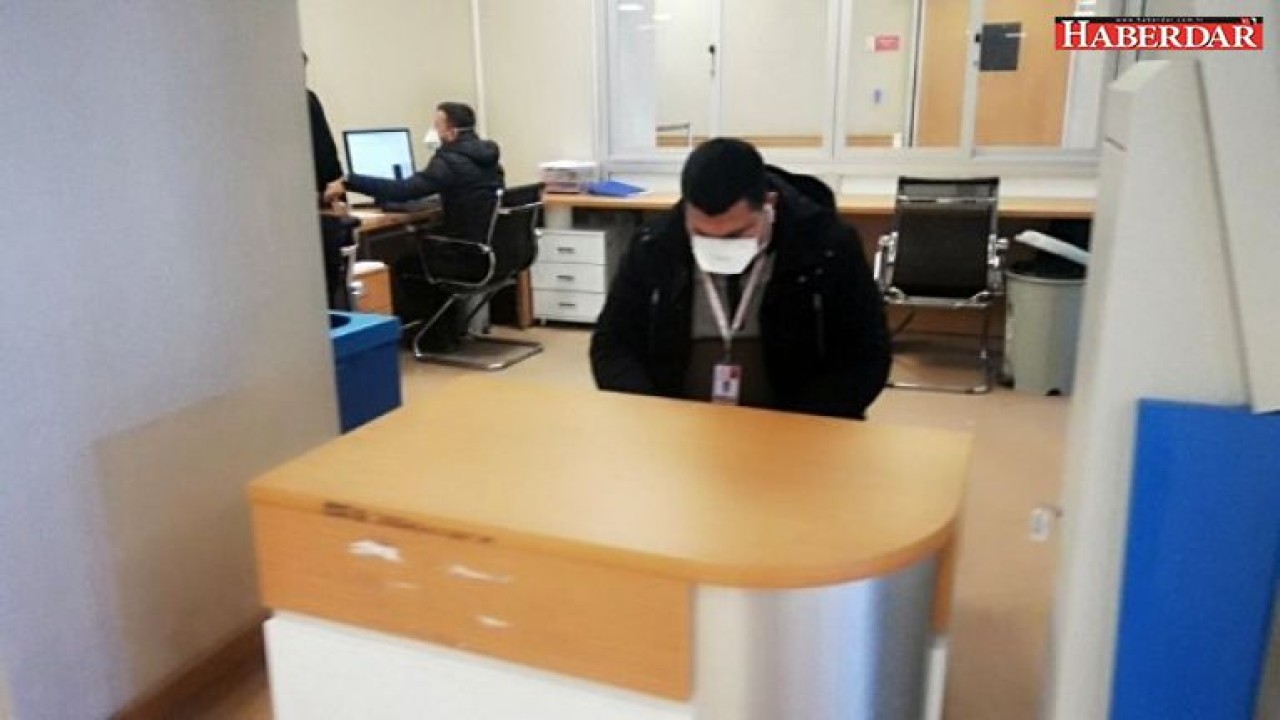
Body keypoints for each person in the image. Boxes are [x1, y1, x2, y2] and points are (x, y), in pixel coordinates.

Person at [590, 138, 890, 420]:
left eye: (736, 234)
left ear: (769, 204)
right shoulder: (654, 245)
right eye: (701, 234)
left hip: (796, 426)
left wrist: (805, 424)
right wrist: (650, 414)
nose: (719, 245)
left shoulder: (827, 246)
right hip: (677, 426)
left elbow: (866, 355)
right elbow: (612, 344)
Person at [325, 102, 504, 350]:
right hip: (489, 254)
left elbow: (404, 191)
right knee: (421, 254)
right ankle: (447, 332)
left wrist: (350, 180)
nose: (434, 132)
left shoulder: (449, 161)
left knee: (406, 266)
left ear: (451, 132)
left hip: (464, 256)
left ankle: (435, 338)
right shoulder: (489, 158)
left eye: (438, 126)